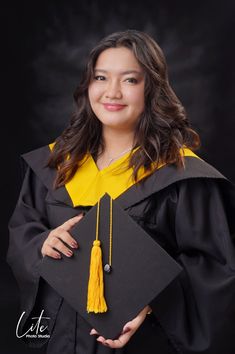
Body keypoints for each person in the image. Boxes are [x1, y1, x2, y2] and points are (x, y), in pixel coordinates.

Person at [7, 29, 235, 354]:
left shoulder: (181, 175)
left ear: (151, 89)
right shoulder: (55, 165)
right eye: (101, 77)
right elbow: (22, 232)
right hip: (60, 340)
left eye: (130, 80)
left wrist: (155, 301)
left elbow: (217, 268)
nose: (111, 92)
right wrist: (42, 244)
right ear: (88, 86)